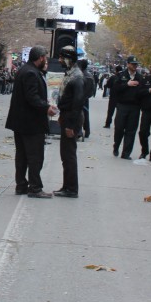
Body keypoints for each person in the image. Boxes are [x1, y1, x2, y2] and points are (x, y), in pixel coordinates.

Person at [5, 46, 57, 198]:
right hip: (30, 122)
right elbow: (32, 97)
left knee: (22, 156)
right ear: (40, 58)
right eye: (45, 58)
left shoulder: (27, 70)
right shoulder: (31, 73)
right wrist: (46, 107)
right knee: (35, 156)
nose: (46, 61)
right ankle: (35, 187)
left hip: (21, 121)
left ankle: (21, 185)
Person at [53, 45, 85, 197]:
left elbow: (77, 103)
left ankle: (71, 189)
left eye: (61, 58)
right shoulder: (70, 74)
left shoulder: (77, 77)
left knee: (69, 155)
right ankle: (66, 186)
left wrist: (70, 125)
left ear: (68, 59)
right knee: (65, 155)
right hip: (66, 116)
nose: (59, 60)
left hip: (72, 119)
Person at [113, 56, 145, 159]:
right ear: (128, 64)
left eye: (136, 64)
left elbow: (142, 92)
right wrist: (127, 84)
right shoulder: (121, 75)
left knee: (131, 130)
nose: (134, 66)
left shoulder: (140, 77)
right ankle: (116, 145)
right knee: (119, 128)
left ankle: (126, 153)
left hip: (135, 107)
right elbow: (115, 89)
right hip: (122, 106)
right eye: (132, 64)